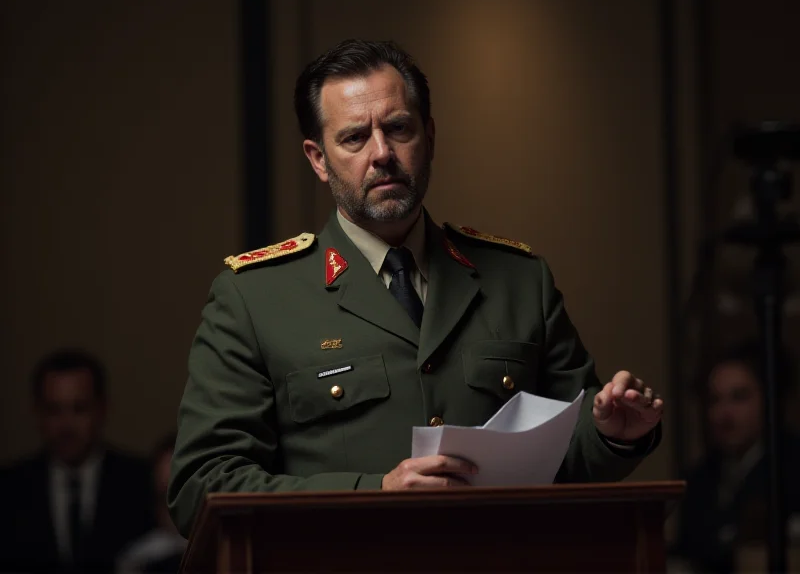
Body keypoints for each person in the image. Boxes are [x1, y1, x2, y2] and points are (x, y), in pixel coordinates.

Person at [167, 39, 665, 537]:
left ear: (429, 135)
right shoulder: (253, 298)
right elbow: (202, 487)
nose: (382, 153)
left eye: (398, 128)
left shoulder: (519, 279)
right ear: (318, 159)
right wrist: (372, 495)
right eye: (355, 138)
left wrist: (612, 436)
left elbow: (566, 452)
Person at [0, 349, 155, 573]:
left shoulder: (140, 482)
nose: (66, 425)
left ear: (102, 409)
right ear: (37, 413)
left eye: (79, 409)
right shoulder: (9, 489)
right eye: (54, 410)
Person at [670, 341, 800, 573]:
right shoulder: (700, 478)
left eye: (739, 397)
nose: (724, 414)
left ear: (771, 399)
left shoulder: (791, 465)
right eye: (714, 400)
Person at [116, 434, 187, 574]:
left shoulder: (225, 551)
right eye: (163, 497)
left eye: (180, 495)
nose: (172, 508)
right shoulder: (137, 560)